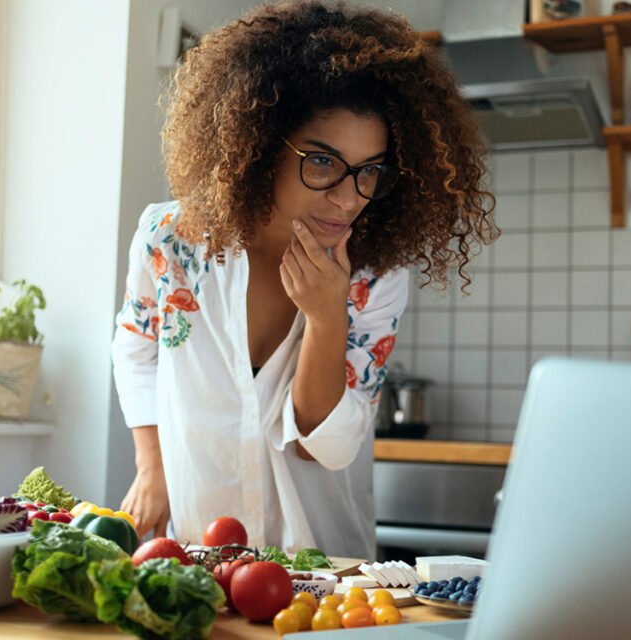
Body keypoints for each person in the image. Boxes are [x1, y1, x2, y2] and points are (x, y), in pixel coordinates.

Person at [111, 0, 497, 559]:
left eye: (370, 172)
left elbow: (329, 447)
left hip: (328, 574)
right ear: (261, 144)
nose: (347, 197)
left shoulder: (375, 273)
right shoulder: (170, 238)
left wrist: (326, 314)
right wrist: (153, 467)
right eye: (321, 162)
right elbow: (137, 346)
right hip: (200, 555)